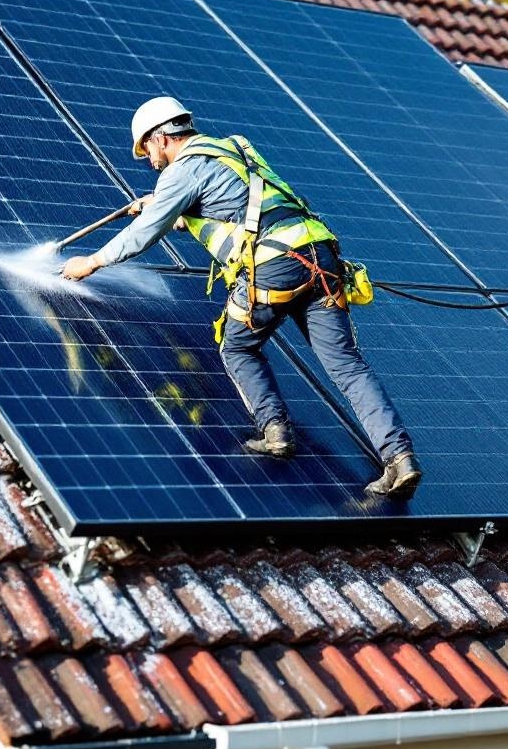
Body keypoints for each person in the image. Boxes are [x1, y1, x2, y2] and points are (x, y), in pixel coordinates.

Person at [61, 96, 421, 498]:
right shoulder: (235, 147)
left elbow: (145, 234)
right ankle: (400, 458)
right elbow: (235, 208)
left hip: (274, 265)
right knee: (348, 367)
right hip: (322, 256)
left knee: (237, 347)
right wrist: (167, 208)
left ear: (161, 139)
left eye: (146, 149)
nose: (147, 159)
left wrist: (91, 262)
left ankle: (276, 432)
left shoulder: (181, 171)